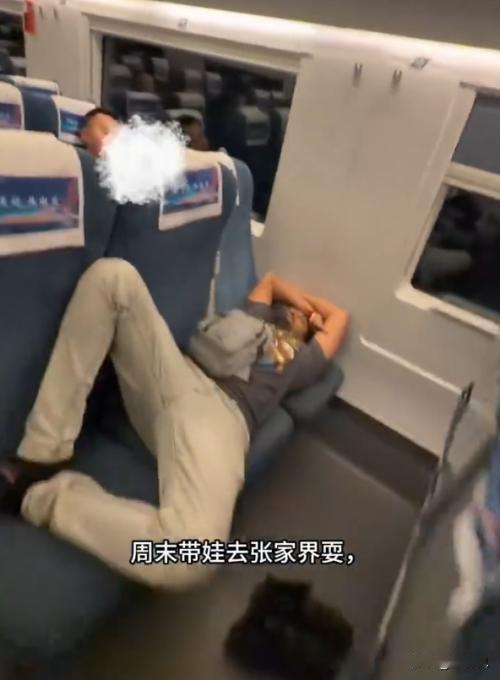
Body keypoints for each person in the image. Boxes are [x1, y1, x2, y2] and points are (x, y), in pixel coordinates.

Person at [0, 261, 349, 589]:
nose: (295, 312)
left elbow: (339, 318)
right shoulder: (255, 317)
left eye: (303, 318)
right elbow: (270, 282)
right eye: (291, 309)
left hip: (222, 420)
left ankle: (38, 497)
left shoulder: (300, 360)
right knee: (114, 277)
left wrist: (310, 319)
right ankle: (41, 456)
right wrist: (301, 307)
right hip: (177, 373)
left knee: (192, 556)